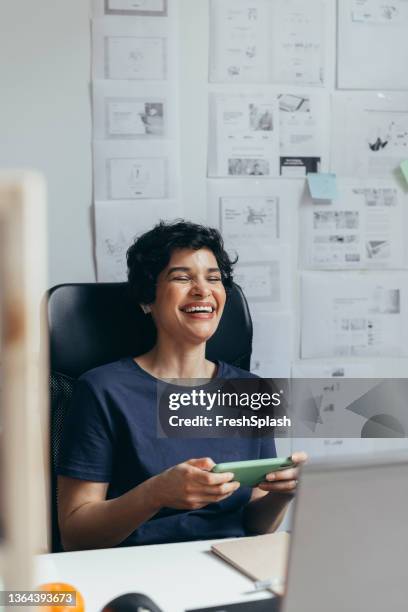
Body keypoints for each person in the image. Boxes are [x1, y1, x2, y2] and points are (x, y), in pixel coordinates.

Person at [57, 221, 306, 550]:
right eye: (182, 277)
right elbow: (76, 535)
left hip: (229, 568)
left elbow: (254, 527)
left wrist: (283, 494)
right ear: (148, 298)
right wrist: (156, 493)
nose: (203, 290)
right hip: (136, 571)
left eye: (213, 278)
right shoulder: (102, 389)